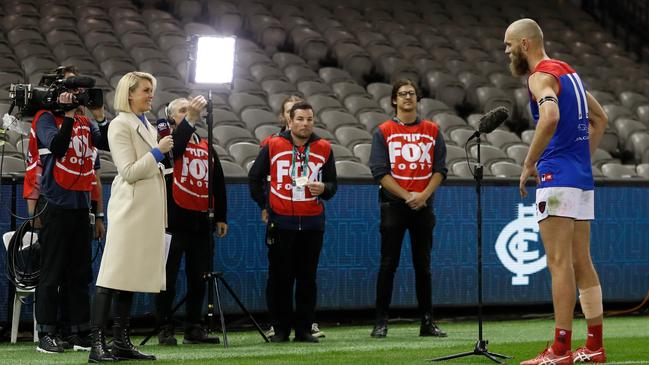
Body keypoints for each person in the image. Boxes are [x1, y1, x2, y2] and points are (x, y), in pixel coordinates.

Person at [504, 19, 608, 365]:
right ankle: (594, 346)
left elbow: (548, 116)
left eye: (508, 45)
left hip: (556, 178)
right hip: (580, 178)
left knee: (559, 263)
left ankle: (559, 350)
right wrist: (579, 159)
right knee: (582, 262)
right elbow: (601, 119)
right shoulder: (569, 74)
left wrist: (529, 163)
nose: (506, 52)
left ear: (524, 45)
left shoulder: (539, 77)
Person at [88, 71, 172, 362]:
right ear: (129, 94)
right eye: (145, 90)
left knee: (129, 276)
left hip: (145, 210)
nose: (151, 95)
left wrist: (158, 156)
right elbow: (128, 171)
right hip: (129, 209)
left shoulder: (144, 123)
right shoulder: (120, 125)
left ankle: (121, 341)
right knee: (111, 276)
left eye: (152, 90)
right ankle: (97, 344)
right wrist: (158, 153)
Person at [25, 65, 110, 354]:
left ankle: (79, 331)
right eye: (73, 91)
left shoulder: (84, 120)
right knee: (51, 273)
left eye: (80, 93)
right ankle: (46, 333)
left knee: (80, 273)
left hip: (79, 205)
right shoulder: (44, 118)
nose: (77, 97)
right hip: (55, 203)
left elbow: (105, 143)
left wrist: (98, 115)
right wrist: (71, 118)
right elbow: (58, 148)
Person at [248, 102, 337, 343]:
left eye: (309, 119)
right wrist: (264, 205)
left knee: (307, 278)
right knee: (280, 278)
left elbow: (332, 186)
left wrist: (324, 187)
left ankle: (305, 329)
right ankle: (280, 329)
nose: (305, 124)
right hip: (281, 223)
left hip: (312, 223)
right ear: (290, 120)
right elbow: (254, 178)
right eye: (300, 119)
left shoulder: (324, 148)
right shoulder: (273, 145)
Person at [368, 79, 447, 339]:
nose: (407, 98)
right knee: (388, 264)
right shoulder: (383, 131)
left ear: (417, 98)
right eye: (402, 94)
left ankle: (427, 321)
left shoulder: (433, 130)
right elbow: (379, 171)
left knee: (423, 265)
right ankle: (381, 322)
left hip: (424, 205)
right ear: (394, 100)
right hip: (393, 205)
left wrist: (423, 195)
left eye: (412, 93)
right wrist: (407, 196)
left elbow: (440, 170)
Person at [154, 96, 228, 346]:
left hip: (200, 222)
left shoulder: (206, 144)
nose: (189, 112)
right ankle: (165, 327)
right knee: (167, 278)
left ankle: (194, 326)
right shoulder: (166, 139)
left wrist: (221, 216)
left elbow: (217, 180)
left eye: (190, 109)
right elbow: (175, 151)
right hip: (173, 220)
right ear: (171, 116)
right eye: (182, 111)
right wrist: (191, 119)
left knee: (200, 277)